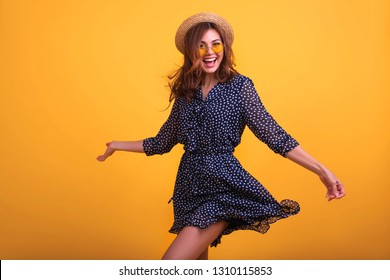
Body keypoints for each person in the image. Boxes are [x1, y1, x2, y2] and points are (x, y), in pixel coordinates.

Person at [97, 12, 345, 260]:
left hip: (222, 188)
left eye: (215, 44)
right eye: (201, 45)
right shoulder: (187, 92)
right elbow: (162, 142)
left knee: (169, 265)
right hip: (188, 189)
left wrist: (322, 171)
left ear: (224, 47)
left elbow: (275, 135)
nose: (209, 52)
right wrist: (117, 145)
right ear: (191, 51)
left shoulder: (240, 87)